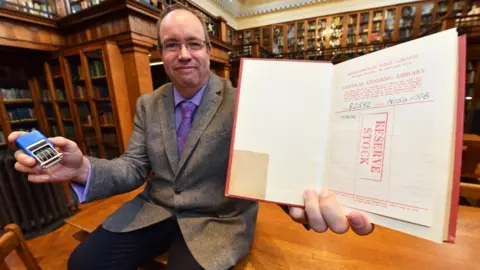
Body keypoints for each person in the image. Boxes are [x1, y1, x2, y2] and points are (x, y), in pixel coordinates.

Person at [9, 4, 374, 270]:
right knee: (83, 264)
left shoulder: (245, 99)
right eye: (171, 45)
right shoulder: (147, 104)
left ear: (208, 50)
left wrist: (304, 200)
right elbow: (134, 167)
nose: (184, 54)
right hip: (155, 210)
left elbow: (272, 165)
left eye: (193, 44)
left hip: (218, 219)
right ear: (161, 53)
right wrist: (83, 169)